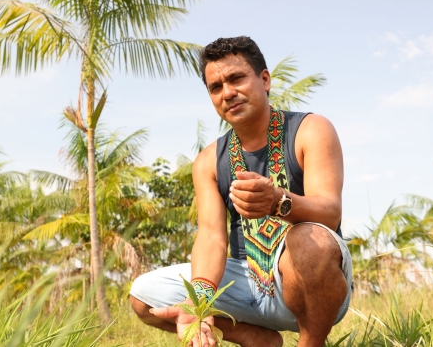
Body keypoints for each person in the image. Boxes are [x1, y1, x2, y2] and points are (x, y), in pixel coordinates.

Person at [129, 36, 352, 347]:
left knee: (308, 242)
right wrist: (201, 302)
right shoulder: (209, 160)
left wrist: (278, 202)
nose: (227, 93)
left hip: (313, 283)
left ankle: (310, 342)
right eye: (215, 87)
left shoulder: (311, 130)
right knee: (144, 294)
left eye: (236, 78)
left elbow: (330, 213)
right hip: (249, 282)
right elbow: (211, 237)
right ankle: (257, 339)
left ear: (264, 79)